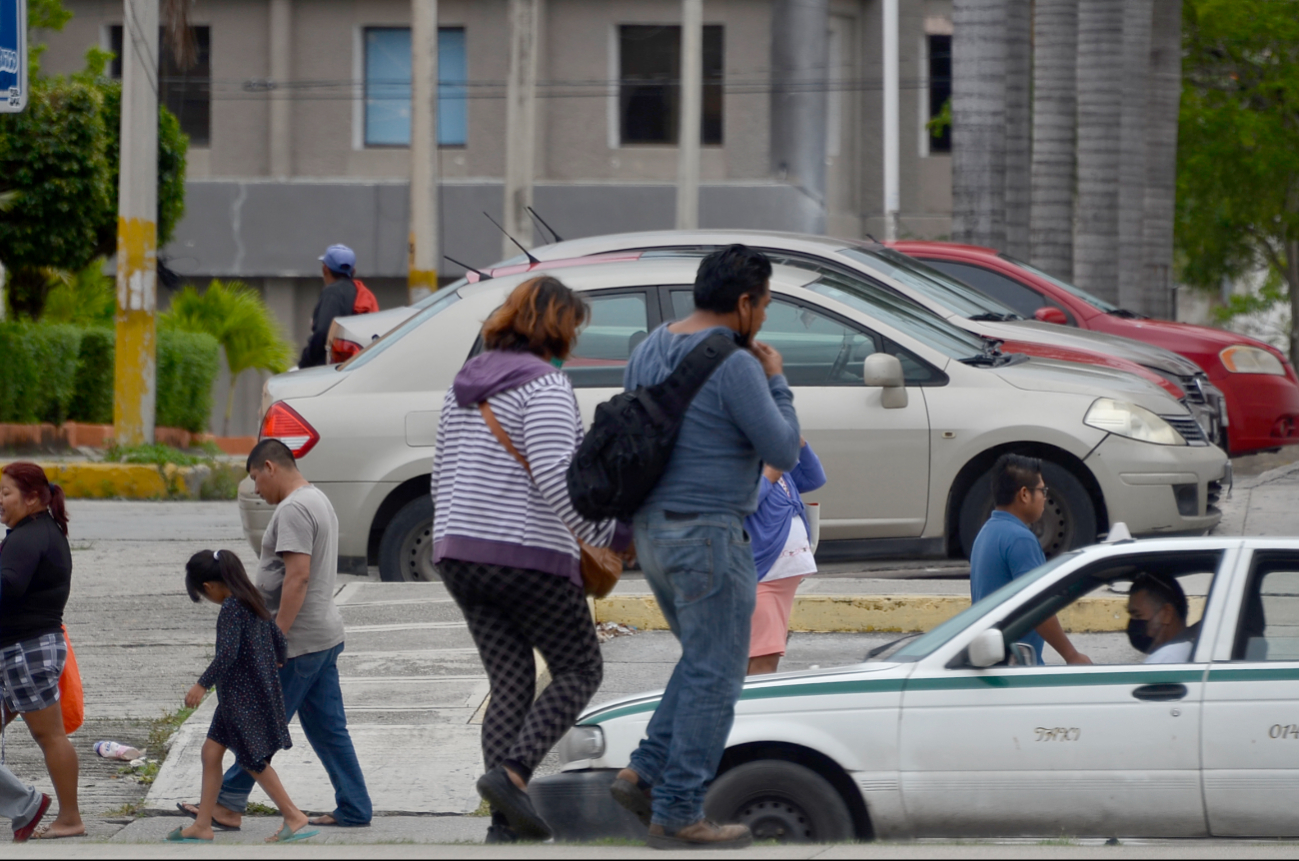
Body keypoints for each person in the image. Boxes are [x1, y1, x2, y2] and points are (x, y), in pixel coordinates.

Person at [610, 245, 801, 850]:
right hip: (710, 534)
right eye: (765, 304)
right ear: (743, 302)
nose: (765, 317)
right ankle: (678, 810)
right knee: (720, 677)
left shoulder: (649, 348)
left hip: (654, 531)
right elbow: (784, 448)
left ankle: (643, 771)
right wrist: (778, 380)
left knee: (701, 663)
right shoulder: (738, 365)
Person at [431, 275, 629, 844]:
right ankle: (514, 774)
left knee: (511, 680)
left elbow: (443, 478)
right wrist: (609, 536)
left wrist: (457, 540)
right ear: (558, 326)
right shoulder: (543, 387)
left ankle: (504, 825)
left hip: (460, 556)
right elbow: (559, 483)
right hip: (525, 556)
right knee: (579, 668)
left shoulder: (461, 386)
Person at [178, 439, 371, 830]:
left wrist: (274, 640)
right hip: (322, 635)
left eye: (255, 479)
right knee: (328, 729)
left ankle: (228, 804)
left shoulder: (295, 509)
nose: (256, 490)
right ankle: (355, 806)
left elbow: (297, 577)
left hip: (297, 643)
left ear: (270, 467)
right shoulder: (316, 498)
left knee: (254, 725)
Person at [171, 550, 316, 844]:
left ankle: (293, 815)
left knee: (252, 759)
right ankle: (202, 825)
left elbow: (227, 654)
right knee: (210, 754)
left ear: (209, 587)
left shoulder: (231, 608)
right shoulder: (254, 601)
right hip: (245, 694)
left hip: (240, 696)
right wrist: (272, 660)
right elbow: (279, 640)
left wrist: (201, 684)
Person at [0, 463, 83, 839]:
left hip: (26, 651)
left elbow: (9, 585)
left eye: (5, 494)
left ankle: (69, 818)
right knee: (50, 736)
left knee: (50, 736)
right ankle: (29, 806)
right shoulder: (36, 532)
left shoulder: (29, 535)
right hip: (21, 649)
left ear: (32, 497)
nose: (0, 502)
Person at [968, 454, 1091, 666]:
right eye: (1042, 491)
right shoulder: (1020, 539)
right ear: (1024, 494)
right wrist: (1071, 656)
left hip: (995, 661)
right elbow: (1037, 606)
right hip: (1017, 667)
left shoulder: (987, 532)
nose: (1045, 497)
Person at [745, 440, 826, 676]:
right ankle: (756, 710)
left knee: (755, 656)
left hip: (780, 577)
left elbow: (814, 479)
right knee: (764, 659)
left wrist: (801, 445)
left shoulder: (773, 459)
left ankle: (741, 710)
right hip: (760, 576)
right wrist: (769, 475)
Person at [300, 244, 359, 368]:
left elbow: (323, 332)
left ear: (325, 269)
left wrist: (306, 360)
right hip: (353, 363)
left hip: (329, 368)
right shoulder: (357, 290)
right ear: (353, 271)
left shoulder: (332, 293)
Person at [1127, 573, 1193, 664]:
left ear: (1167, 613)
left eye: (1138, 615)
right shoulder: (1188, 648)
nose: (1132, 623)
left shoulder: (1165, 659)